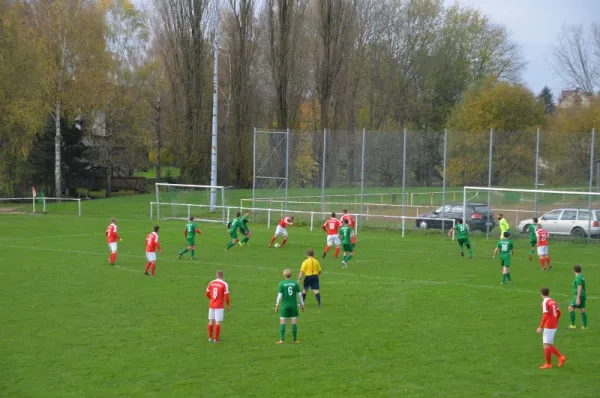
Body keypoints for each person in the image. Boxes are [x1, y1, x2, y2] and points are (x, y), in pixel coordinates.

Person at [537, 287, 566, 369]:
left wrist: (540, 327)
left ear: (541, 294)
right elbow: (559, 312)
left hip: (549, 325)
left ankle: (560, 357)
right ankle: (548, 364)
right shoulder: (552, 301)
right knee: (546, 344)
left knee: (547, 344)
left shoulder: (545, 302)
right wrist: (556, 321)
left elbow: (545, 315)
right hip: (554, 324)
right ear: (549, 293)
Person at [275, 268, 304, 344]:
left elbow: (279, 296)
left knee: (282, 322)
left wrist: (277, 305)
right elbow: (300, 295)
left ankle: (281, 340)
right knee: (294, 322)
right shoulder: (295, 283)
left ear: (284, 275)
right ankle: (295, 339)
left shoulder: (281, 284)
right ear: (291, 275)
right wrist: (302, 305)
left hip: (284, 306)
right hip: (293, 306)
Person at [205, 270, 230, 343]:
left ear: (216, 275)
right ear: (223, 276)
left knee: (211, 321)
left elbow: (207, 293)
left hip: (211, 304)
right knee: (217, 322)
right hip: (219, 306)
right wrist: (228, 305)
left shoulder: (211, 282)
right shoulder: (224, 284)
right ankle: (216, 339)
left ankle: (209, 338)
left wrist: (211, 299)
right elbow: (227, 296)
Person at [568, 264, 588, 330]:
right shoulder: (581, 276)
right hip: (583, 295)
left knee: (570, 308)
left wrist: (577, 298)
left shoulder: (578, 277)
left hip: (579, 295)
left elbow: (580, 286)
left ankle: (572, 325)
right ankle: (585, 326)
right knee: (582, 309)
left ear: (573, 270)